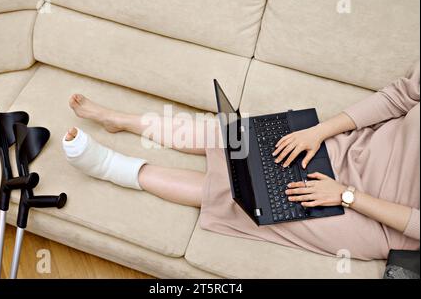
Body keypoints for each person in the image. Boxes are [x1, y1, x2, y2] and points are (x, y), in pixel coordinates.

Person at [62, 62, 420, 260]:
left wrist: (345, 195)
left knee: (246, 194)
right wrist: (320, 131)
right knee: (238, 139)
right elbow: (400, 97)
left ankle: (111, 168)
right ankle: (122, 120)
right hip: (363, 149)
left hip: (378, 217)